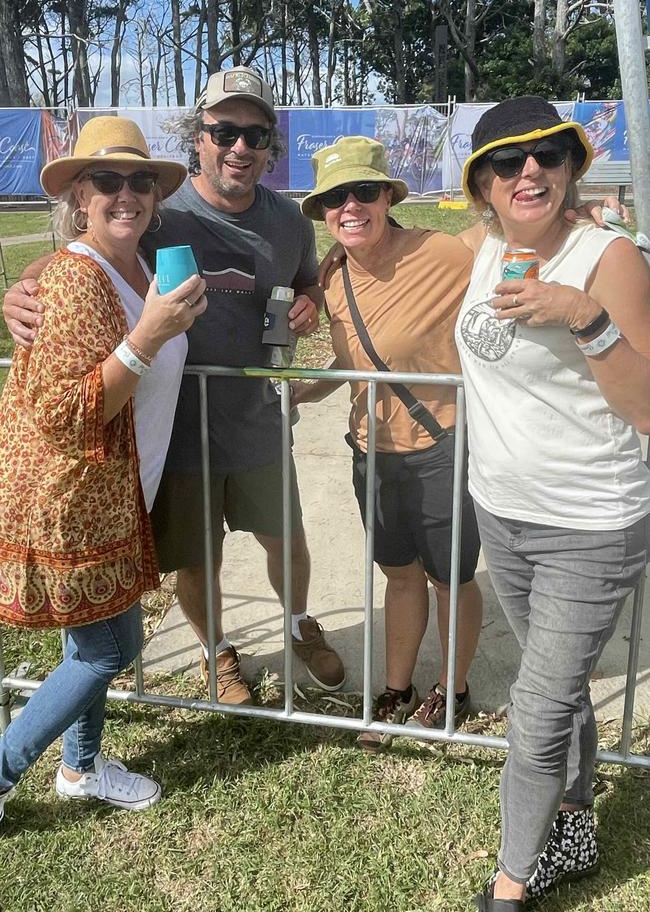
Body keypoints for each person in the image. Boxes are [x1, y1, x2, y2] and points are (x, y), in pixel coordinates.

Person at [2, 67, 345, 703]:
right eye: (224, 132)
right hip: (178, 427)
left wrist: (309, 299)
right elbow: (85, 246)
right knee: (197, 556)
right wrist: (21, 288)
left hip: (258, 418)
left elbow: (304, 282)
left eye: (256, 134)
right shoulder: (160, 213)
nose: (240, 146)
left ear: (271, 145)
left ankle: (299, 624)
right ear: (199, 139)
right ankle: (217, 653)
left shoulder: (291, 223)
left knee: (285, 538)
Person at [456, 96, 650, 909]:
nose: (526, 170)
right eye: (506, 161)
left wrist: (584, 317)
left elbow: (645, 403)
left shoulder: (609, 259)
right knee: (559, 688)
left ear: (570, 169)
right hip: (503, 511)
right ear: (485, 186)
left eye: (545, 156)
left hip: (591, 524)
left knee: (534, 711)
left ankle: (508, 887)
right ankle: (574, 815)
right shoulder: (484, 246)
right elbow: (383, 253)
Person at [0, 116, 207, 821]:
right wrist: (149, 335)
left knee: (88, 636)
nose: (128, 195)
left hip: (114, 491)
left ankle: (81, 767)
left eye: (140, 180)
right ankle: (2, 771)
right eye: (108, 181)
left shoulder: (145, 266)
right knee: (110, 645)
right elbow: (64, 412)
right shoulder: (77, 279)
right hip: (73, 496)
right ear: (78, 196)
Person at [292, 136, 483, 750]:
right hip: (369, 454)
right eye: (334, 197)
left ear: (388, 197)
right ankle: (397, 689)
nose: (350, 206)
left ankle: (454, 691)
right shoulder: (334, 276)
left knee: (450, 578)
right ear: (322, 209)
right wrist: (304, 392)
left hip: (441, 446)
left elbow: (517, 239)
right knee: (399, 575)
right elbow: (358, 365)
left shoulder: (446, 254)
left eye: (364, 192)